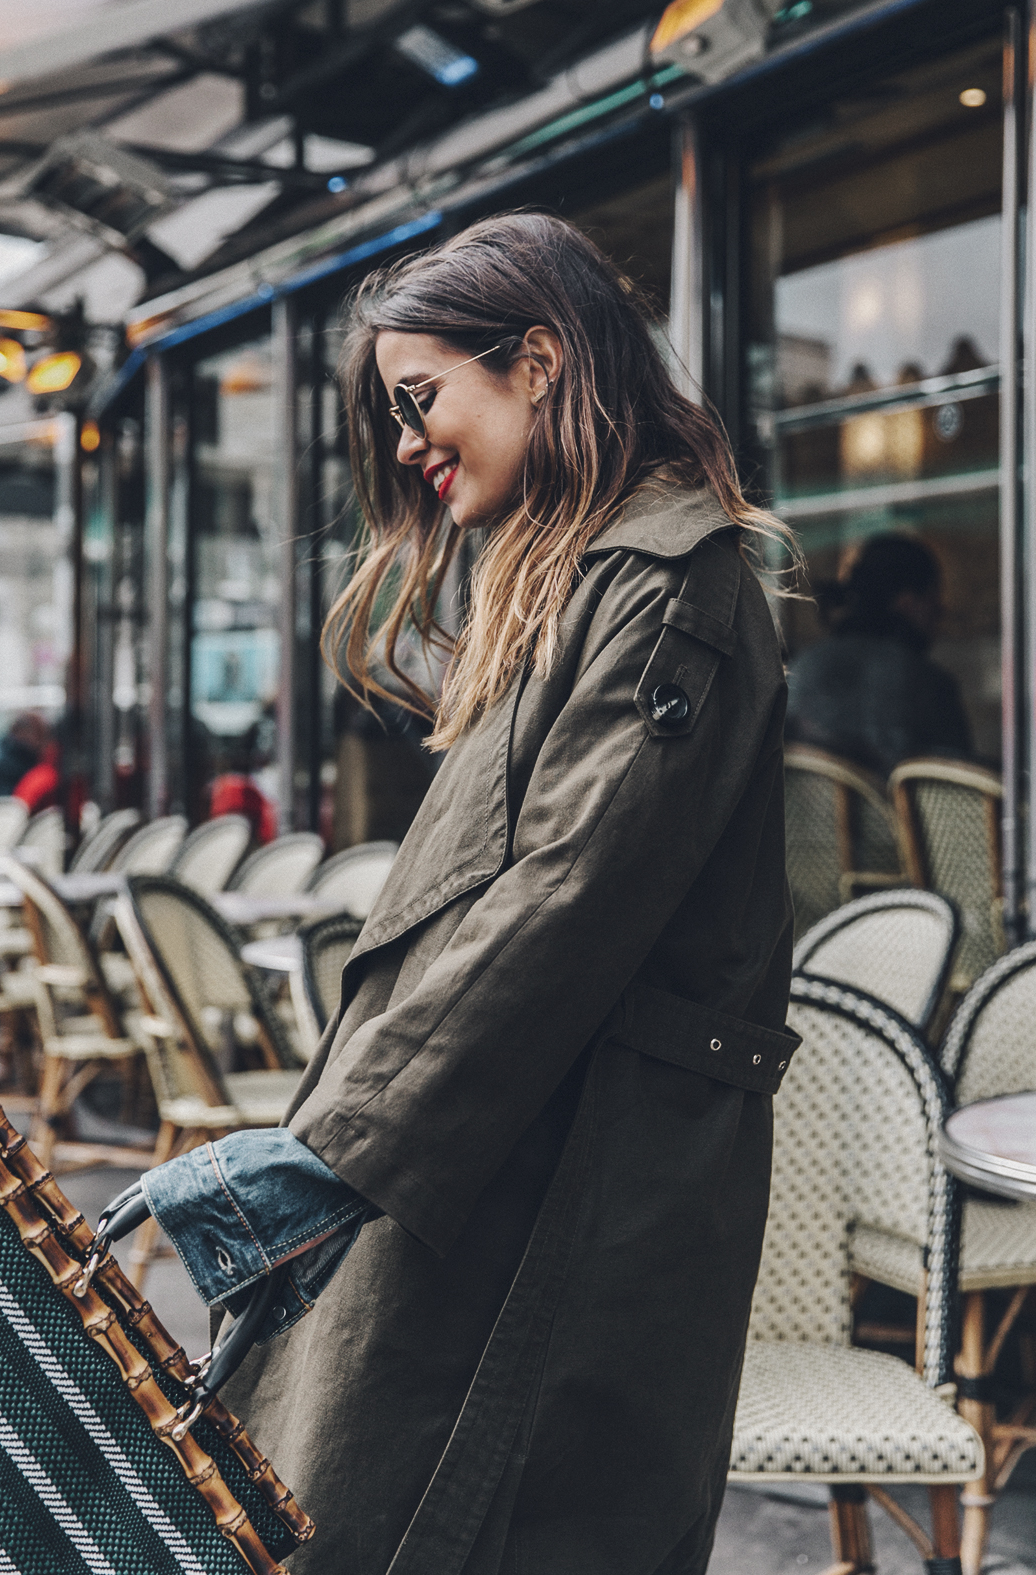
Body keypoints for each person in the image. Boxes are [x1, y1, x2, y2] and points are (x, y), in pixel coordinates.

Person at [133, 213, 800, 1575]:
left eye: (420, 397)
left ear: (540, 362)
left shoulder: (670, 585)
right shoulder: (586, 581)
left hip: (562, 1192)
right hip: (487, 1165)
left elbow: (564, 898)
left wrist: (327, 1157)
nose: (402, 442)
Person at [785, 533, 972, 779]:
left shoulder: (799, 669)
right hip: (897, 818)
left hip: (806, 818)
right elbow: (961, 789)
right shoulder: (930, 683)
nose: (941, 611)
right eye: (934, 599)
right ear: (908, 601)